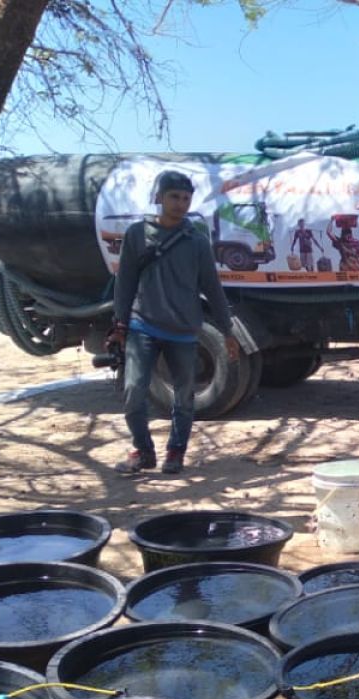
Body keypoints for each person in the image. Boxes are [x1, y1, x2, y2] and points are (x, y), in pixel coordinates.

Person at [110, 170, 238, 475]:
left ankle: (175, 452)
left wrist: (227, 330)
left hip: (183, 330)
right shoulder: (136, 235)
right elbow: (125, 282)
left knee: (183, 395)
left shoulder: (196, 240)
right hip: (143, 325)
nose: (180, 203)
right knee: (134, 391)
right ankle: (142, 451)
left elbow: (212, 286)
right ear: (159, 197)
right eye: (174, 197)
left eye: (185, 198)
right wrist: (119, 324)